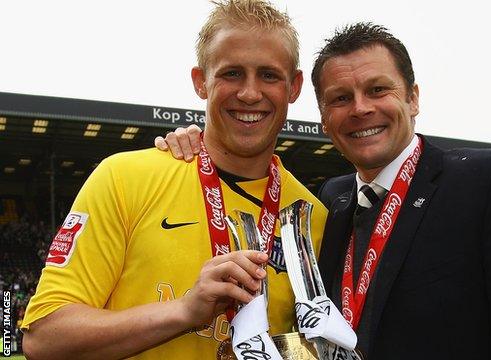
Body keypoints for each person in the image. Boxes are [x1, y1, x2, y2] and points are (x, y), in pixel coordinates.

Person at [161, 22, 491, 359]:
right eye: (340, 98)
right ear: (324, 118)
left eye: (377, 89)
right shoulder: (326, 202)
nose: (361, 108)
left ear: (413, 98)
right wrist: (196, 145)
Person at [20, 1, 327, 359]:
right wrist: (184, 311)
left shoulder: (311, 217)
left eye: (269, 75)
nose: (249, 93)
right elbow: (43, 340)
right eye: (231, 73)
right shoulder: (124, 178)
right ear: (201, 82)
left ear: (294, 87)